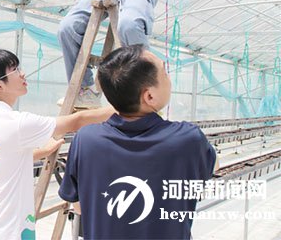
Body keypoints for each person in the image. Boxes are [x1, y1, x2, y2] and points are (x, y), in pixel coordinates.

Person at [59, 45, 217, 240]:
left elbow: (78, 205)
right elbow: (211, 167)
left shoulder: (86, 140)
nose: (169, 78)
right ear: (149, 96)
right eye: (164, 72)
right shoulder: (187, 139)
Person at [0, 49, 115, 240]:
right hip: (5, 233)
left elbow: (1, 157)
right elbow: (77, 121)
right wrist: (124, 105)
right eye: (14, 71)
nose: (22, 74)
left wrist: (42, 151)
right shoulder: (17, 123)